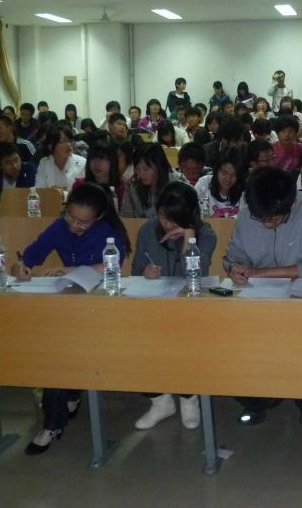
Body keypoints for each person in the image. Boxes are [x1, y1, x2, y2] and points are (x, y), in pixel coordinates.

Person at [11, 183, 130, 455]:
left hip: (103, 308)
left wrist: (72, 269)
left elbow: (111, 265)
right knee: (57, 347)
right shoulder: (59, 227)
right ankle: (62, 408)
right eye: (71, 218)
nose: (75, 226)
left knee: (64, 347)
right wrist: (20, 267)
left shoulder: (108, 232)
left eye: (83, 222)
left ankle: (54, 421)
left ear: (98, 217)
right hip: (70, 305)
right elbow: (28, 256)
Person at [223, 167, 302, 434]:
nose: (265, 223)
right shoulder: (248, 213)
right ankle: (259, 398)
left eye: (273, 219)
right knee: (230, 345)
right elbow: (233, 256)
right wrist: (234, 268)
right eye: (260, 218)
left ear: (291, 204)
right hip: (258, 299)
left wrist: (262, 273)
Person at [128, 181, 216, 431]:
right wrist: (145, 272)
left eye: (173, 219)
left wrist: (189, 238)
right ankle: (160, 400)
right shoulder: (148, 230)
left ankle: (189, 398)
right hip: (154, 307)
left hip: (192, 309)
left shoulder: (207, 234)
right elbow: (135, 270)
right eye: (163, 217)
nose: (166, 225)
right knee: (134, 341)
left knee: (185, 339)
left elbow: (196, 274)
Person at [73, 140, 125, 210]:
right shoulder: (80, 185)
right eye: (93, 158)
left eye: (102, 158)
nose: (97, 163)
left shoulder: (121, 187)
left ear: (112, 162)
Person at [194, 148, 244, 218]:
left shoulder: (243, 191)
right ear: (216, 171)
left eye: (233, 175)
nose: (228, 179)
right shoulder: (204, 183)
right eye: (224, 173)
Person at [35, 125, 86, 189]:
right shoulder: (44, 163)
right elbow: (39, 190)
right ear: (51, 146)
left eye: (70, 140)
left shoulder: (82, 163)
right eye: (63, 141)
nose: (69, 144)